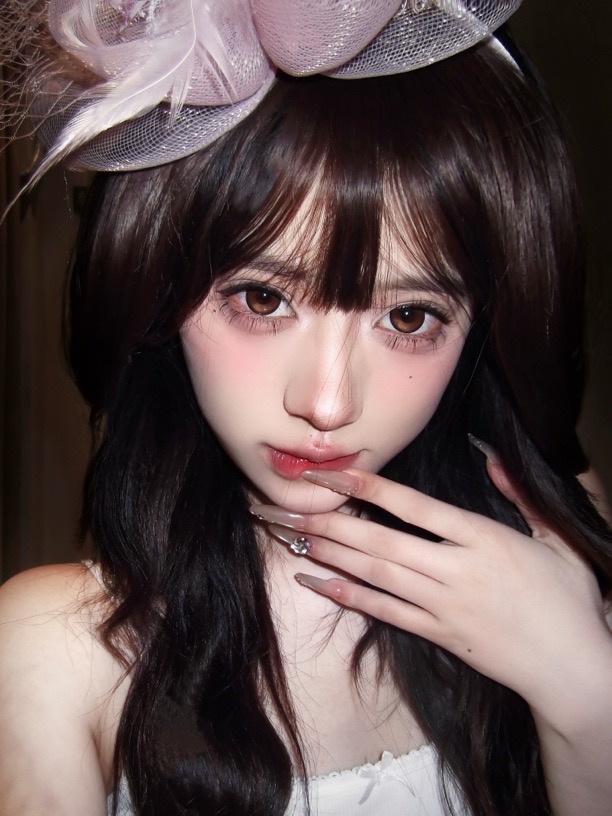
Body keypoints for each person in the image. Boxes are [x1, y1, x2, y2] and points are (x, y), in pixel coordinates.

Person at [1, 2, 611, 815]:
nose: (327, 403)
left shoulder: (553, 556)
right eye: (262, 298)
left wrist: (584, 695)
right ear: (158, 289)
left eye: (408, 318)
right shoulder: (54, 652)